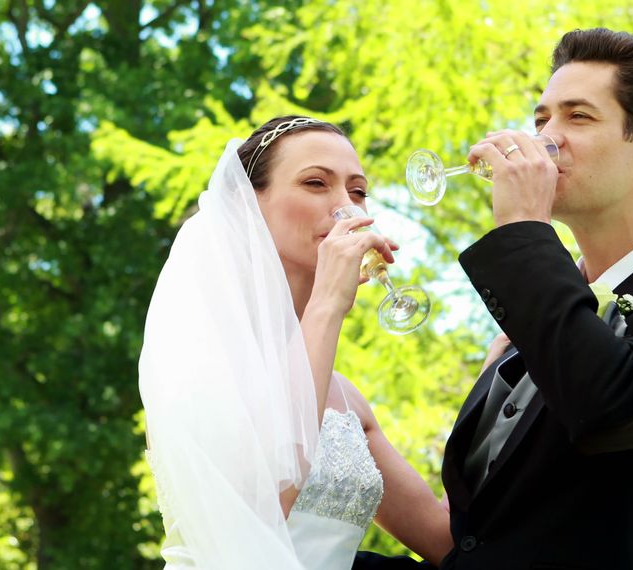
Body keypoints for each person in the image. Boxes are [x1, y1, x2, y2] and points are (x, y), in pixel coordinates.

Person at [356, 28, 633, 569]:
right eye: (541, 120)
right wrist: (353, 426)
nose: (544, 141)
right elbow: (467, 538)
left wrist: (524, 231)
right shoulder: (519, 331)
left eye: (578, 117)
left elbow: (611, 405)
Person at [140, 116, 452, 569]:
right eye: (315, 183)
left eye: (358, 191)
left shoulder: (346, 398)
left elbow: (447, 542)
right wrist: (327, 302)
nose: (347, 208)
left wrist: (503, 375)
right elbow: (258, 516)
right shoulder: (199, 367)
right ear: (247, 206)